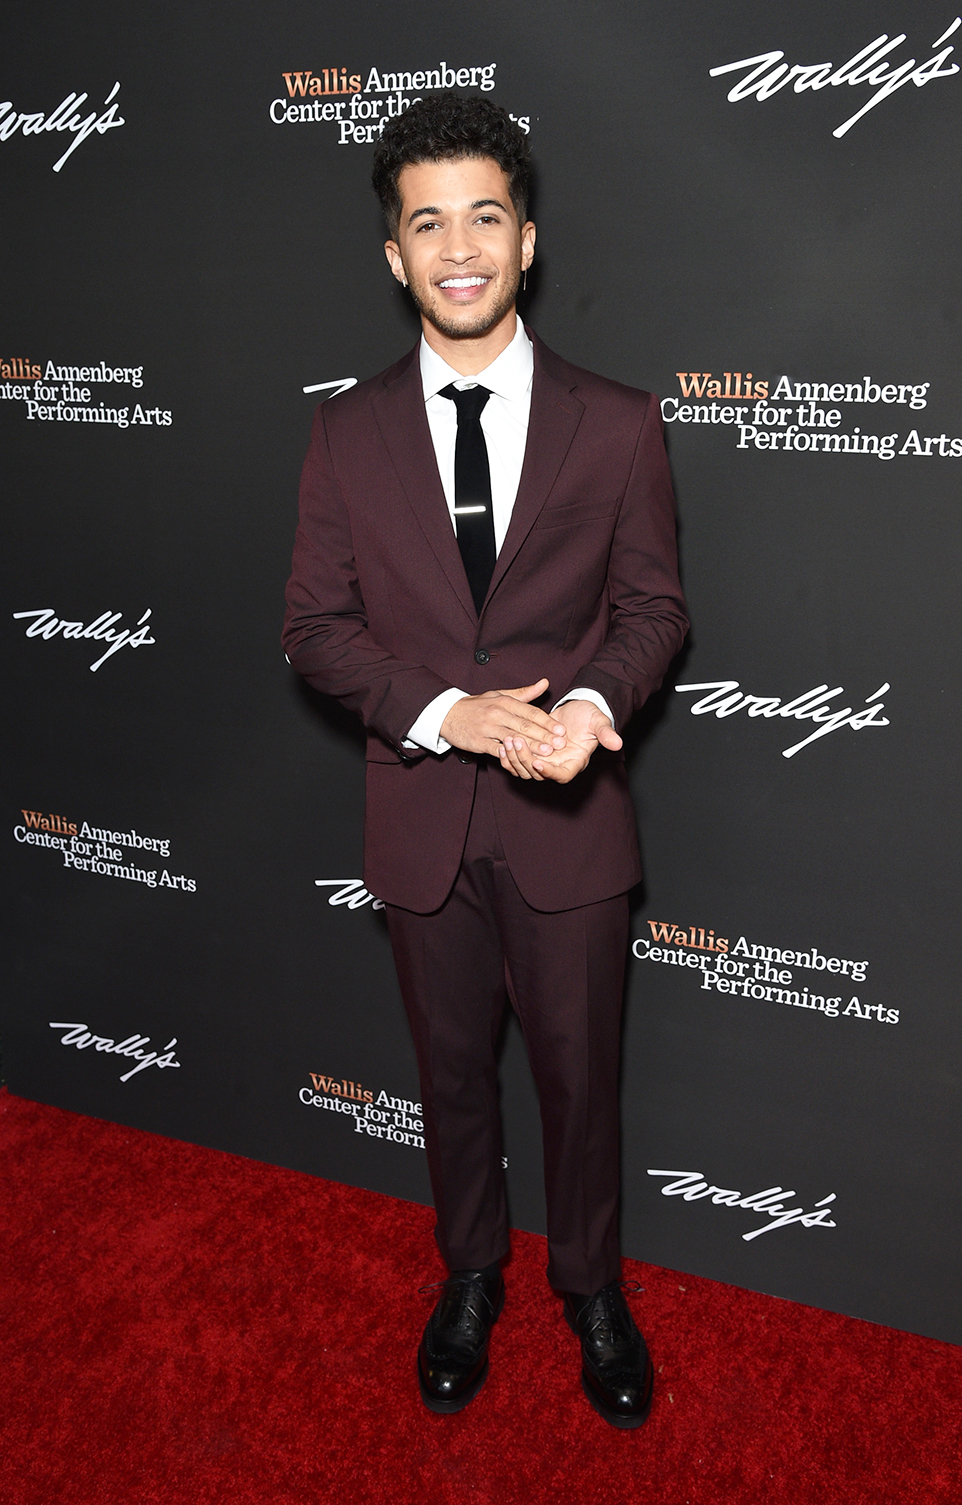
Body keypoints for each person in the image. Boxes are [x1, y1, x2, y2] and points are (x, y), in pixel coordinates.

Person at [282, 94, 687, 1429]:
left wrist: (593, 705)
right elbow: (315, 629)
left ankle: (590, 1285)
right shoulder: (343, 434)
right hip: (419, 821)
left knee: (583, 1080)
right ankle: (470, 1272)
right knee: (449, 1073)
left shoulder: (620, 425)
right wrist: (445, 712)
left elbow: (653, 612)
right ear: (395, 255)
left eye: (486, 217)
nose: (461, 247)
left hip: (571, 821)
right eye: (428, 222)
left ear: (528, 242)